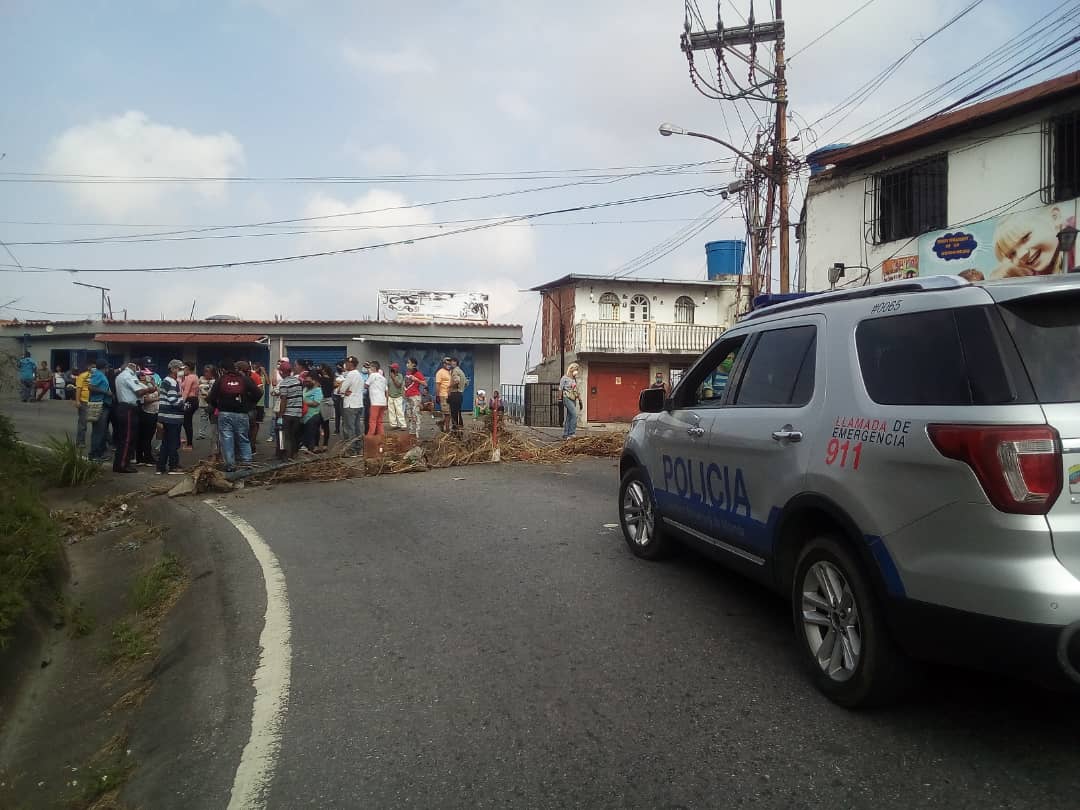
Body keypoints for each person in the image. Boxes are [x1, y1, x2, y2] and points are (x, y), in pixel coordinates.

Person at [209, 360, 260, 473]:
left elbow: (211, 398)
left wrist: (218, 405)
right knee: (243, 438)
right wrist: (249, 404)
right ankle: (247, 463)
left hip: (225, 413)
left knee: (227, 439)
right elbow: (258, 393)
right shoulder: (244, 379)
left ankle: (230, 465)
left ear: (222, 370)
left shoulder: (220, 380)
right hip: (242, 414)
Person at [113, 362, 155, 473]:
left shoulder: (121, 375)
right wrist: (151, 389)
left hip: (125, 407)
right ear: (134, 366)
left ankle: (120, 463)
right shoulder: (128, 376)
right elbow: (139, 391)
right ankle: (122, 465)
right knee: (128, 438)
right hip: (128, 408)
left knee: (125, 438)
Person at [156, 360, 186, 475]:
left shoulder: (166, 380)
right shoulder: (172, 382)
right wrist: (185, 405)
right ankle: (173, 466)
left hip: (165, 416)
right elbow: (174, 400)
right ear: (173, 369)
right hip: (172, 417)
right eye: (180, 369)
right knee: (174, 443)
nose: (182, 371)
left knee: (166, 443)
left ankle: (160, 467)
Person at [275, 360, 304, 461]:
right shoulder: (298, 381)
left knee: (286, 436)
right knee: (294, 436)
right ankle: (294, 455)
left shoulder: (284, 384)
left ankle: (286, 457)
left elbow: (284, 400)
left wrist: (280, 415)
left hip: (287, 414)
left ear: (282, 372)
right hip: (298, 414)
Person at [87, 360, 113, 462]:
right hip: (99, 404)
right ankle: (94, 454)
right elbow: (90, 387)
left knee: (101, 430)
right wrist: (106, 392)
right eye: (107, 367)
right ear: (104, 367)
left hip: (103, 403)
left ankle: (100, 452)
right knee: (98, 431)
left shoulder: (100, 374)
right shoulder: (98, 374)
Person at [339, 356, 364, 454]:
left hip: (350, 404)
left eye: (346, 363)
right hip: (358, 404)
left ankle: (351, 450)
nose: (345, 365)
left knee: (349, 428)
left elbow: (341, 389)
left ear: (350, 364)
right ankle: (358, 448)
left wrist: (342, 389)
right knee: (357, 427)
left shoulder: (350, 375)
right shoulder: (359, 375)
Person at [136, 369, 160, 467]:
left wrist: (153, 383)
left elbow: (158, 391)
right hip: (146, 413)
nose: (149, 377)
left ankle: (144, 457)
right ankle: (146, 458)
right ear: (141, 376)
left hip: (153, 413)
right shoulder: (140, 386)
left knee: (149, 437)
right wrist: (157, 398)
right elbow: (145, 400)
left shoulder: (149, 385)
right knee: (145, 437)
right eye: (147, 375)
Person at [403, 357, 426, 439]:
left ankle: (417, 433)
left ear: (413, 364)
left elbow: (425, 384)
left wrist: (416, 379)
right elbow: (405, 385)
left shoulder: (418, 373)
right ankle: (411, 432)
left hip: (415, 397)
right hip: (408, 397)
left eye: (409, 362)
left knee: (416, 414)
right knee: (409, 415)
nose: (407, 364)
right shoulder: (407, 373)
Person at [301, 375, 324, 452]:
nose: (307, 383)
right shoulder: (305, 389)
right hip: (304, 415)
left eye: (308, 381)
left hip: (313, 415)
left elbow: (316, 403)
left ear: (313, 381)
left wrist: (304, 403)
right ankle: (306, 446)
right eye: (305, 381)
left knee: (311, 433)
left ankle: (311, 448)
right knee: (305, 432)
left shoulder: (318, 390)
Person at [73, 360, 93, 449]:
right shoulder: (82, 376)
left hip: (94, 401)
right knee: (83, 423)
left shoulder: (96, 376)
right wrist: (77, 401)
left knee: (99, 423)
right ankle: (80, 442)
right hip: (84, 401)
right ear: (89, 367)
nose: (94, 368)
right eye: (93, 367)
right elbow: (78, 388)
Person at [180, 362, 200, 450]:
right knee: (186, 421)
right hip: (194, 400)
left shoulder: (190, 377)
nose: (182, 370)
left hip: (189, 400)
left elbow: (186, 391)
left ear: (188, 368)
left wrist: (181, 403)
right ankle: (187, 441)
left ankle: (189, 444)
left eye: (184, 368)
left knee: (186, 422)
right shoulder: (195, 376)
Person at [316, 364, 336, 450]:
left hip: (321, 402)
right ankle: (325, 445)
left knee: (317, 424)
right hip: (329, 402)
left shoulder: (321, 380)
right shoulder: (332, 379)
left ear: (324, 370)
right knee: (326, 425)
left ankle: (316, 445)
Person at [560, 362, 581, 440]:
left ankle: (566, 434)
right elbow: (560, 389)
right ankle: (571, 433)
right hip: (566, 397)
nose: (576, 371)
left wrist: (579, 399)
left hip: (573, 398)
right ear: (571, 369)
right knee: (574, 415)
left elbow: (575, 390)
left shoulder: (574, 379)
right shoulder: (564, 378)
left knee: (569, 416)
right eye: (576, 369)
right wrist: (560, 399)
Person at [366, 360, 387, 436]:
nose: (369, 368)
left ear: (374, 368)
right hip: (383, 402)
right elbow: (385, 390)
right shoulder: (383, 378)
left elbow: (366, 385)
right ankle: (381, 438)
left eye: (370, 366)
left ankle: (370, 439)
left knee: (372, 421)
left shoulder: (372, 375)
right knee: (379, 421)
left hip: (375, 402)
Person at [448, 357, 469, 432]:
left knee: (453, 412)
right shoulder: (461, 371)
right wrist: (462, 387)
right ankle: (460, 426)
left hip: (455, 393)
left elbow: (456, 381)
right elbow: (466, 382)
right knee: (458, 411)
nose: (451, 363)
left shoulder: (455, 371)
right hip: (460, 394)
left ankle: (455, 427)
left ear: (456, 363)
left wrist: (449, 386)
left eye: (453, 362)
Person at [386, 362, 407, 430]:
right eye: (390, 368)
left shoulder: (400, 376)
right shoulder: (389, 376)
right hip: (390, 396)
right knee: (391, 412)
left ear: (396, 369)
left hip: (398, 396)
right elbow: (388, 386)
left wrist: (393, 378)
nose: (391, 369)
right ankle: (394, 425)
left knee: (399, 411)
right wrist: (387, 396)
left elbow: (398, 385)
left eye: (392, 368)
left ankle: (403, 425)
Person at [435, 357, 453, 433]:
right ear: (443, 364)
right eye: (447, 363)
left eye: (449, 364)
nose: (448, 365)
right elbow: (437, 385)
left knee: (449, 413)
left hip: (450, 395)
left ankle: (441, 423)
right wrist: (437, 395)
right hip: (443, 395)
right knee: (447, 413)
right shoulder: (440, 372)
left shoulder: (451, 372)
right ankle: (447, 429)